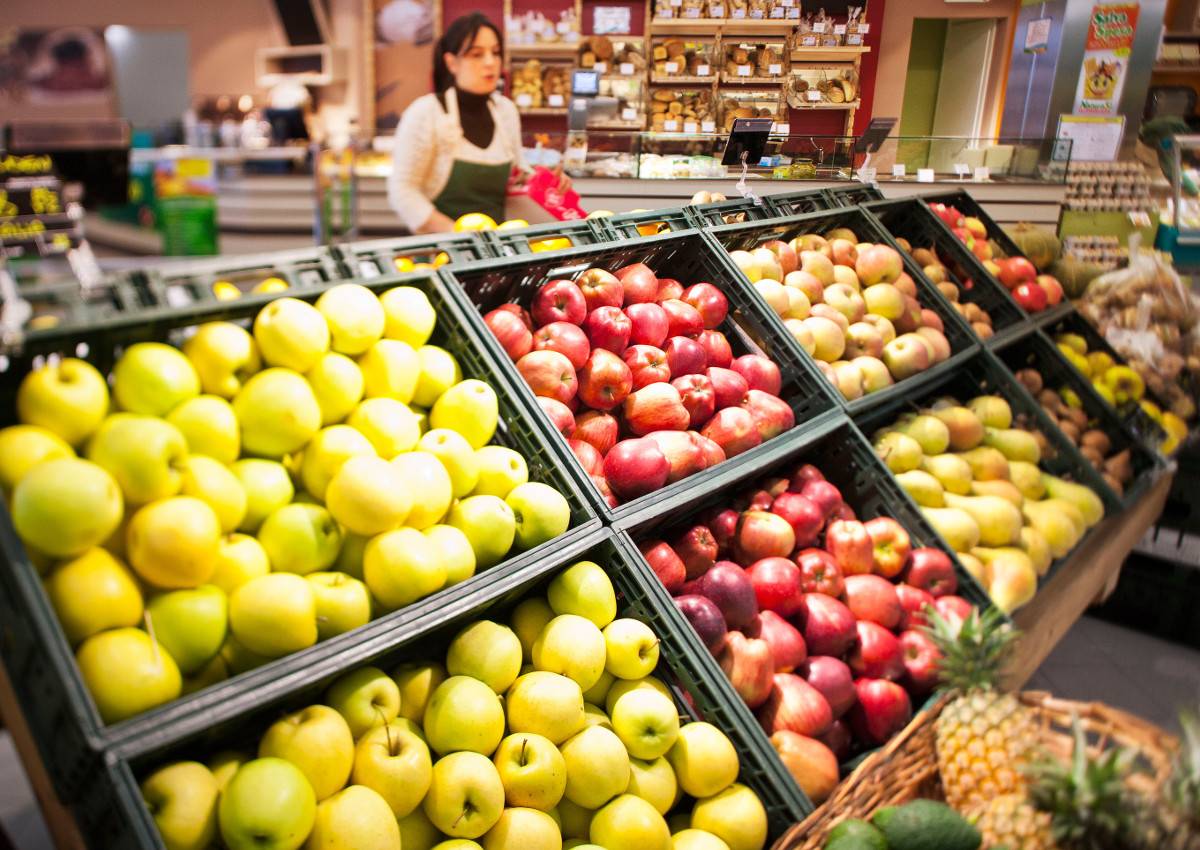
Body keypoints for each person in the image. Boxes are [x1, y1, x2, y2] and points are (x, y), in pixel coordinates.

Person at [388, 13, 570, 233]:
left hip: (496, 253)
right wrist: (455, 234)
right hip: (438, 252)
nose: (490, 62)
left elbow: (517, 174)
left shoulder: (505, 111)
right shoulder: (426, 113)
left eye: (495, 53)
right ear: (451, 62)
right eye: (476, 54)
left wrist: (548, 184)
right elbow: (403, 191)